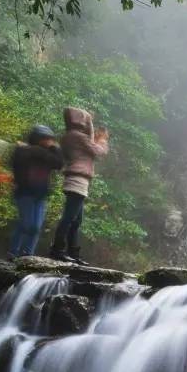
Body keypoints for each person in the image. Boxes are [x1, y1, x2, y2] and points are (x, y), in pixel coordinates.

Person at [49, 107, 108, 264]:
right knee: (69, 218)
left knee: (76, 220)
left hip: (77, 180)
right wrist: (102, 139)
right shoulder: (78, 137)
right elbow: (97, 152)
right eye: (87, 119)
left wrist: (92, 129)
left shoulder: (70, 136)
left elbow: (89, 147)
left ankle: (72, 253)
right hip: (77, 181)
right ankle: (58, 250)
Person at [8, 125, 63, 259]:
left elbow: (59, 164)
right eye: (46, 138)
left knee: (36, 227)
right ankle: (13, 253)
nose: (49, 141)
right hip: (25, 193)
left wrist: (54, 148)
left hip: (40, 194)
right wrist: (47, 149)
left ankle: (27, 255)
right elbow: (20, 160)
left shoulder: (43, 152)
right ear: (38, 138)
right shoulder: (23, 151)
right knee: (26, 224)